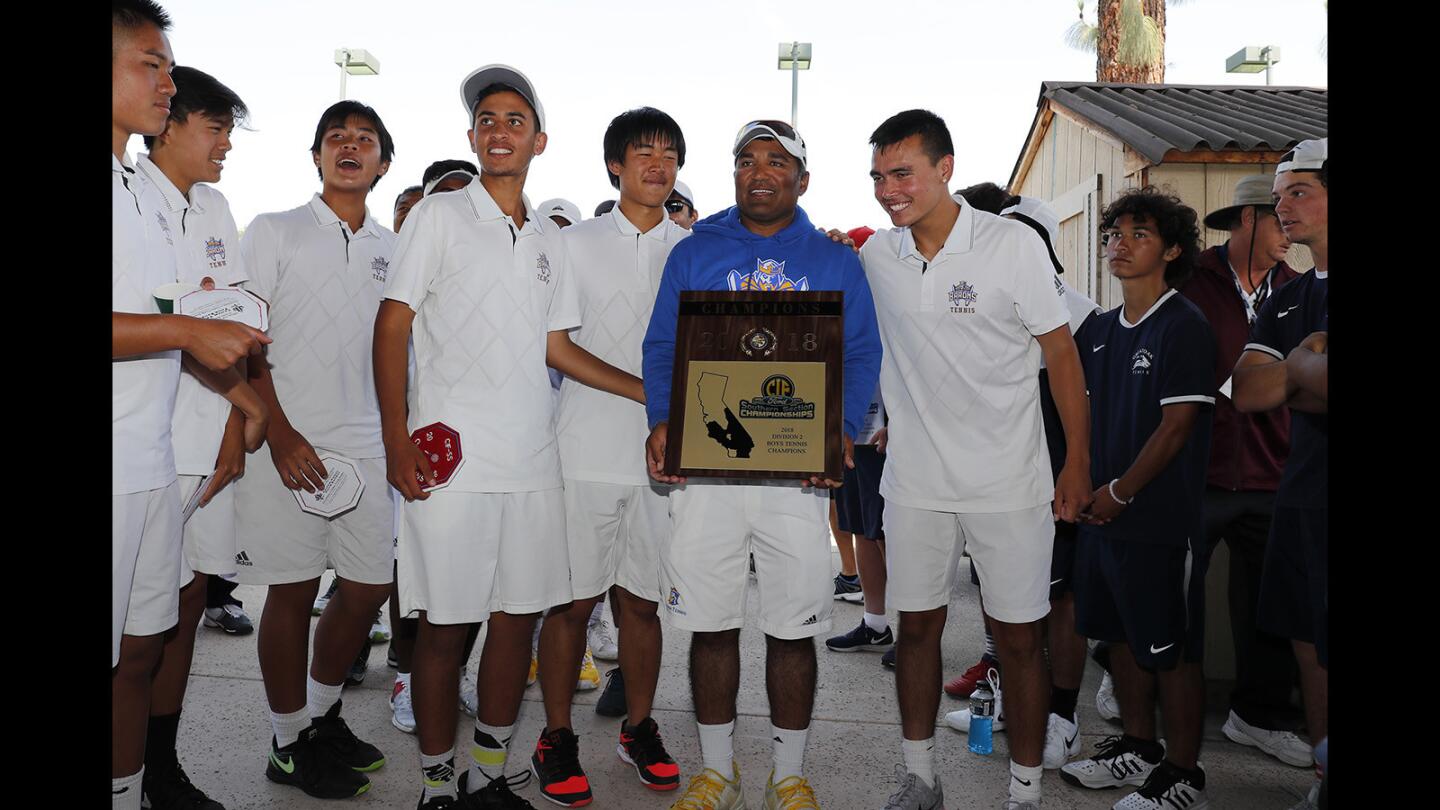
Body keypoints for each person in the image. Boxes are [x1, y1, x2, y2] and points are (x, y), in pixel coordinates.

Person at [374, 63, 643, 810]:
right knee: (445, 629)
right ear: (471, 136)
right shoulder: (438, 215)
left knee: (515, 626)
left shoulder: (548, 241)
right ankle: (435, 786)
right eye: (487, 119)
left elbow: (559, 348)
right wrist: (396, 437)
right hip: (449, 466)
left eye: (514, 120)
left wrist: (646, 390)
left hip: (532, 461)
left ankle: (487, 779)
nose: (499, 130)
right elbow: (392, 323)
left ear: (540, 141)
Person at [642, 118, 882, 810]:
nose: (760, 172)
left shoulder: (835, 260)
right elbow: (663, 346)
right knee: (711, 625)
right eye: (746, 160)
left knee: (793, 627)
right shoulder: (696, 250)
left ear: (802, 179)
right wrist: (663, 418)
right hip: (707, 473)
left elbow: (861, 352)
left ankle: (789, 773)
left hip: (794, 479)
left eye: (777, 161)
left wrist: (838, 428)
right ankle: (718, 770)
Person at [861, 110, 1092, 810]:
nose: (888, 189)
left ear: (944, 168)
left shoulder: (1011, 245)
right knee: (917, 628)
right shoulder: (877, 255)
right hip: (916, 485)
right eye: (877, 176)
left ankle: (1024, 793)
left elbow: (1060, 354)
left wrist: (1076, 461)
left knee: (1019, 638)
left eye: (903, 173)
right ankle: (920, 776)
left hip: (1010, 483)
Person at [112, 3, 270, 807]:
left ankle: (150, 773)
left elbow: (220, 324)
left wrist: (243, 410)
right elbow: (175, 328)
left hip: (180, 450)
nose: (224, 144)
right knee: (142, 634)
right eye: (152, 66)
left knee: (159, 628)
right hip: (145, 450)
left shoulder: (189, 206)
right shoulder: (130, 191)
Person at [234, 98, 398, 800]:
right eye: (336, 138)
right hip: (288, 441)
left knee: (368, 589)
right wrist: (279, 431)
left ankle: (322, 717)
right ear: (317, 156)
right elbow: (244, 340)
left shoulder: (395, 248)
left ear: (383, 163)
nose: (349, 146)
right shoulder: (273, 230)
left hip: (366, 449)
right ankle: (286, 740)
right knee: (292, 592)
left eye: (364, 139)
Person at [533, 106, 691, 806]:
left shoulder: (694, 248)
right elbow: (556, 347)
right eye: (643, 152)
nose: (658, 164)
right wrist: (650, 395)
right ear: (615, 166)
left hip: (665, 464)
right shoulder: (576, 244)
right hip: (585, 450)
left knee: (643, 605)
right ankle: (557, 737)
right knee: (570, 605)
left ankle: (638, 727)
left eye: (669, 154)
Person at [1059, 187, 1216, 810]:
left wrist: (1121, 492)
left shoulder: (1185, 326)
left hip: (1156, 521)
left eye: (1139, 234)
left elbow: (1175, 428)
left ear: (1173, 248)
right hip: (1102, 517)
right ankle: (1140, 748)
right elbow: (1083, 416)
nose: (1119, 245)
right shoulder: (1099, 328)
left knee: (1169, 649)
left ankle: (1184, 773)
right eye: (1113, 234)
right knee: (1118, 639)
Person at [1180, 175, 1311, 768]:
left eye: (1295, 210)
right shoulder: (1192, 279)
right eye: (1277, 216)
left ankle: (1255, 714)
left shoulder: (1298, 291)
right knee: (1172, 585)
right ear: (1247, 219)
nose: (1289, 230)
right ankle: (1128, 672)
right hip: (1196, 469)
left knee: (1269, 602)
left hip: (1271, 472)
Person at [1233, 138, 1328, 809]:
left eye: (1299, 191)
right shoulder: (1289, 297)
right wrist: (1304, 368)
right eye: (1277, 196)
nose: (1282, 207)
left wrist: (1288, 376)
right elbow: (1247, 390)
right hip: (1304, 492)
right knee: (1307, 638)